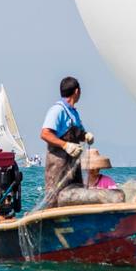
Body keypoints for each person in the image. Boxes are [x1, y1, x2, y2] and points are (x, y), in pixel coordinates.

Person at [40, 76, 95, 208]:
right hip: (58, 166)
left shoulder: (73, 113)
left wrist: (85, 135)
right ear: (77, 91)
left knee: (76, 196)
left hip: (73, 166)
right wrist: (65, 145)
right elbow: (45, 134)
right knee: (55, 199)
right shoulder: (57, 110)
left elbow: (77, 133)